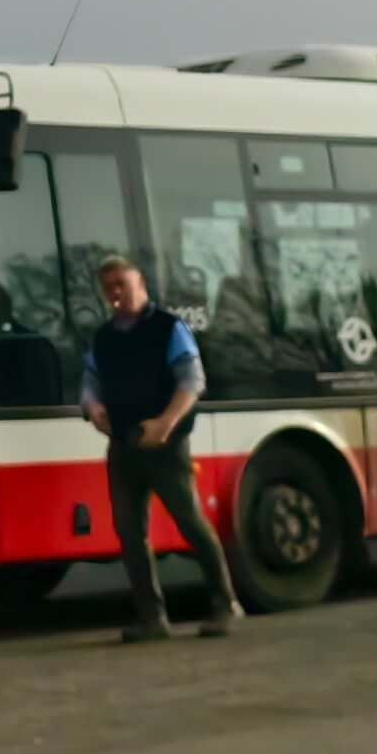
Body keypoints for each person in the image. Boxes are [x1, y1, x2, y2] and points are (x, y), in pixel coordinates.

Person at [80, 253, 238, 641]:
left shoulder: (168, 328)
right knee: (130, 532)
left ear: (141, 284)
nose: (115, 293)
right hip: (124, 444)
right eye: (108, 288)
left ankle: (225, 604)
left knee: (190, 522)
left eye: (122, 284)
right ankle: (152, 618)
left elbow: (192, 381)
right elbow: (90, 381)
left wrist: (166, 423)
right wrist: (92, 408)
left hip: (166, 446)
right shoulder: (103, 337)